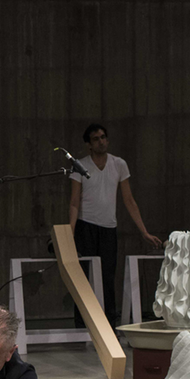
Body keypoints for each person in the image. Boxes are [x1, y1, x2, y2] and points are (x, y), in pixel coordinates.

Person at [68, 122, 161, 327]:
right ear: (89, 145)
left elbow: (128, 200)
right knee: (83, 277)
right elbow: (74, 201)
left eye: (103, 137)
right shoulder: (80, 165)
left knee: (107, 277)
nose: (101, 142)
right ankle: (82, 325)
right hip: (86, 225)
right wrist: (71, 232)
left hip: (108, 227)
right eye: (96, 139)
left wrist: (143, 231)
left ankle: (108, 324)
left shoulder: (119, 164)